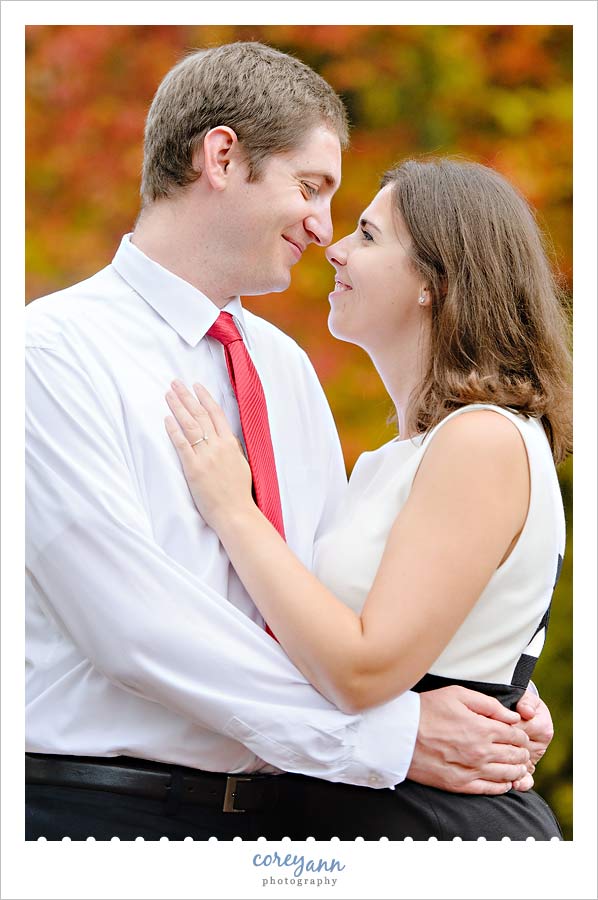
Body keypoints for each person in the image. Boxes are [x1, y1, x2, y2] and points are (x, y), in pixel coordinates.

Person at [26, 42, 550, 842]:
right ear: (223, 157)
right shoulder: (52, 353)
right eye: (311, 187)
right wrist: (395, 736)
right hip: (101, 812)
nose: (324, 229)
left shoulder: (284, 369)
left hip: (293, 819)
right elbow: (132, 629)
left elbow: (334, 599)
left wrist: (488, 679)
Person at [164, 157, 571, 840]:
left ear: (436, 283)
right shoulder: (394, 461)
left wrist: (233, 508)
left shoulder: (482, 440)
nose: (337, 250)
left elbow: (362, 669)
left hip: (437, 831)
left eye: (369, 236)